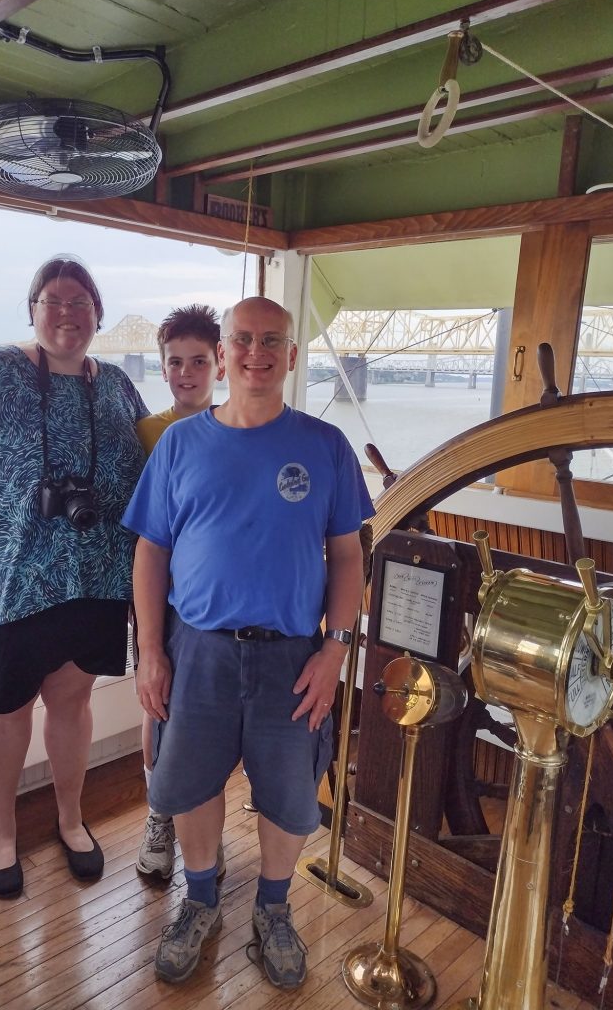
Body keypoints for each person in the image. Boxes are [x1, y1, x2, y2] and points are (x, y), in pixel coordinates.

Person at [122, 296, 375, 989]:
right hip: (197, 647)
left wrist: (337, 648)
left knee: (289, 793)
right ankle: (199, 898)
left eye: (272, 341)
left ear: (292, 356)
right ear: (224, 353)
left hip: (294, 657)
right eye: (243, 340)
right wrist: (151, 651)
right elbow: (150, 552)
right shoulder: (179, 443)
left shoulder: (325, 447)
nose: (256, 353)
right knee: (191, 782)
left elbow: (348, 556)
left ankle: (272, 908)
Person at [0, 255, 149, 899]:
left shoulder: (118, 387)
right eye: (53, 300)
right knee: (7, 710)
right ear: (32, 309)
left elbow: (156, 464)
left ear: (99, 314)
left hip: (95, 576)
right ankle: (4, 833)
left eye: (81, 302)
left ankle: (72, 819)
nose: (67, 314)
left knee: (71, 705)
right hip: (7, 578)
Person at [134, 303, 225, 880]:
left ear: (219, 363)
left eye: (198, 361)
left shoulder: (235, 427)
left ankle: (200, 828)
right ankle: (158, 815)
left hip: (209, 606)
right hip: (158, 601)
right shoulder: (148, 432)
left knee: (205, 719)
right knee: (157, 702)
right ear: (163, 368)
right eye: (175, 362)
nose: (186, 372)